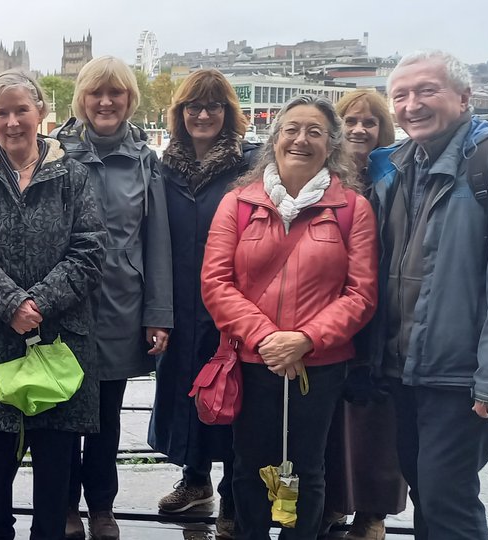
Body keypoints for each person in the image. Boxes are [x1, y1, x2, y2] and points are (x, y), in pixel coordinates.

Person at [366, 50, 488, 540]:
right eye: (400, 96)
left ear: (464, 97)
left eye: (427, 91)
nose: (412, 105)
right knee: (428, 492)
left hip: (461, 375)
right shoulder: (399, 166)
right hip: (404, 369)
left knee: (449, 502)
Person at [201, 95, 378, 540]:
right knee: (248, 466)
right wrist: (266, 338)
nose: (301, 139)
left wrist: (305, 339)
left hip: (317, 365)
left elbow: (361, 293)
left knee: (309, 466)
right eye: (292, 129)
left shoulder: (353, 209)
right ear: (275, 137)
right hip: (252, 359)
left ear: (331, 143)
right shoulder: (238, 204)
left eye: (314, 132)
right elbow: (216, 283)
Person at [0, 70, 106, 540]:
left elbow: (90, 247)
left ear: (42, 114)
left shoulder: (72, 174)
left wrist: (40, 302)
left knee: (55, 475)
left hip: (58, 338)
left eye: (22, 110)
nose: (12, 122)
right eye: (1, 112)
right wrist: (10, 302)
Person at [50, 56, 170, 540]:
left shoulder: (145, 160)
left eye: (115, 93)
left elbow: (155, 241)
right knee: (60, 413)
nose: (105, 102)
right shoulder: (53, 154)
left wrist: (158, 314)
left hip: (123, 304)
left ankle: (101, 506)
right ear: (81, 98)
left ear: (129, 100)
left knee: (105, 418)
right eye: (96, 93)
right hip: (64, 304)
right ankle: (63, 506)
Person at [148, 68, 256, 538]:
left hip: (230, 302)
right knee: (186, 392)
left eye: (214, 106)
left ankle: (233, 493)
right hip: (177, 300)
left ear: (228, 114)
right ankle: (196, 482)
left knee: (231, 396)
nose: (203, 114)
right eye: (194, 106)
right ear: (180, 113)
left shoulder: (248, 168)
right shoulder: (162, 167)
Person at [320, 89, 403, 540]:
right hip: (332, 309)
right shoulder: (325, 175)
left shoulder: (396, 175)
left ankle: (373, 512)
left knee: (377, 417)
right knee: (334, 416)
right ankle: (335, 501)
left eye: (369, 122)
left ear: (382, 129)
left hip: (384, 307)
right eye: (350, 120)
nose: (358, 129)